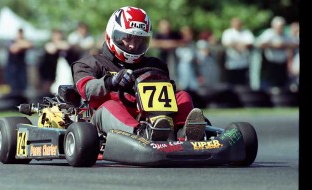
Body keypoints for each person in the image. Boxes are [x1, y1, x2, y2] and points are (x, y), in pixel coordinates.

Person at [71, 6, 206, 141]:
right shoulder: (91, 63)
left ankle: (182, 133)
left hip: (151, 116)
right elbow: (86, 89)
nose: (133, 45)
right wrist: (109, 82)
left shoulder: (155, 65)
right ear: (112, 35)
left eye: (139, 39)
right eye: (127, 38)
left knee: (183, 96)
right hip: (107, 119)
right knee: (110, 106)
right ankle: (143, 134)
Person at [255, 16, 299, 90]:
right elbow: (258, 44)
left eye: (282, 26)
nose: (280, 28)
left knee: (281, 85)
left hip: (282, 64)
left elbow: (295, 44)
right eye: (279, 26)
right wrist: (272, 45)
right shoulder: (268, 33)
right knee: (269, 84)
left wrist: (284, 45)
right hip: (270, 64)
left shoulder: (285, 35)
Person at [221, 17, 255, 86]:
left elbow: (251, 43)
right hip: (231, 64)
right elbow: (225, 43)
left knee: (243, 84)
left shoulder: (246, 32)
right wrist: (238, 45)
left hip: (243, 63)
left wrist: (237, 44)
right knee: (231, 84)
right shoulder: (227, 33)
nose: (237, 25)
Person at [39, 29, 70, 94]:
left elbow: (67, 46)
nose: (58, 37)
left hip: (60, 75)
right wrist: (58, 45)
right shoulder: (48, 45)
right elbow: (51, 49)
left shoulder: (64, 45)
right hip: (49, 74)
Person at [4, 28, 32, 94]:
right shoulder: (11, 41)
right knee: (13, 87)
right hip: (12, 68)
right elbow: (14, 49)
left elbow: (29, 45)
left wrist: (19, 44)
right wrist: (21, 44)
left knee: (22, 87)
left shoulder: (23, 41)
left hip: (21, 68)